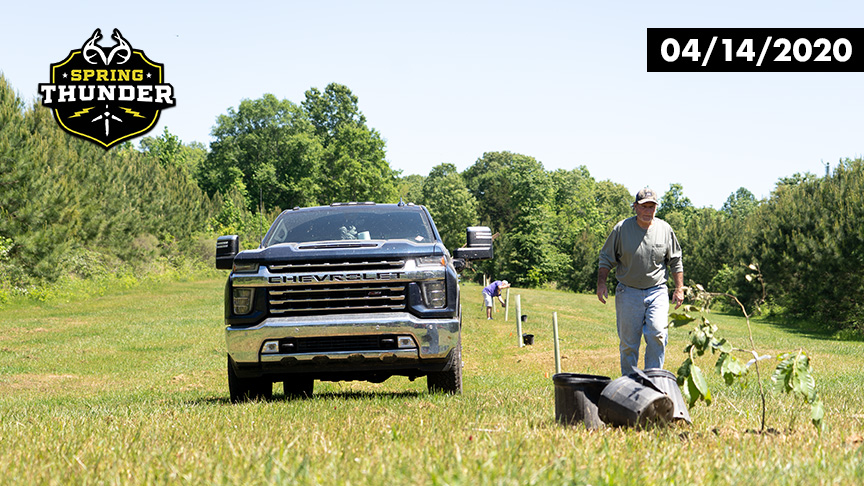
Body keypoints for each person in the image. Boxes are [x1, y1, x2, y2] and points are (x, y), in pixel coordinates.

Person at [596, 187, 684, 376]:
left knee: (658, 333)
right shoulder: (621, 229)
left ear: (656, 209)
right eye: (643, 206)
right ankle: (630, 384)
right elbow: (606, 257)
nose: (647, 211)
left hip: (657, 290)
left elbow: (676, 260)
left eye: (651, 207)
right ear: (635, 207)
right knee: (629, 344)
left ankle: (652, 381)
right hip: (628, 292)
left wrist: (679, 289)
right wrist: (601, 283)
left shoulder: (665, 229)